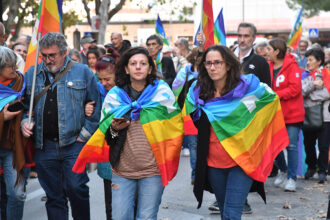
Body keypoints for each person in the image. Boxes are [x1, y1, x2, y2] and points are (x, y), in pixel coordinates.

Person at [75, 47, 184, 220]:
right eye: (133, 64)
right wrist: (115, 129)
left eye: (143, 64)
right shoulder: (115, 96)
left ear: (150, 68)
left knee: (146, 217)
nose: (138, 67)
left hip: (152, 171)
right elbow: (108, 137)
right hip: (122, 171)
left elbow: (175, 129)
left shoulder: (162, 94)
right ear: (126, 68)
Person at [184, 45, 288, 220]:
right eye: (208, 63)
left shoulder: (246, 88)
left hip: (242, 161)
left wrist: (256, 133)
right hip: (213, 162)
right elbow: (188, 114)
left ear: (229, 65)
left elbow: (271, 98)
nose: (212, 67)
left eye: (217, 62)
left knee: (232, 213)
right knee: (225, 212)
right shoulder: (198, 92)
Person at [21, 32, 101, 220]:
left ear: (64, 52)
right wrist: (25, 122)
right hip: (44, 145)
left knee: (76, 188)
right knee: (54, 197)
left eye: (52, 55)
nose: (48, 60)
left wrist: (84, 134)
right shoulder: (32, 74)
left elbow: (96, 106)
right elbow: (25, 108)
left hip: (74, 143)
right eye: (44, 55)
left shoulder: (83, 72)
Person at [85, 47, 120, 220]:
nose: (104, 83)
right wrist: (87, 108)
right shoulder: (98, 91)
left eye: (108, 79)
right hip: (108, 150)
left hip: (129, 155)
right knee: (111, 203)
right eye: (101, 79)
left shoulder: (127, 93)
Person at [266, 39, 305, 191]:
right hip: (273, 115)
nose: (266, 51)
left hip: (292, 115)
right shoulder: (267, 66)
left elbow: (295, 89)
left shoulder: (292, 66)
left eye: (269, 49)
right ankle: (283, 170)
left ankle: (292, 178)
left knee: (291, 146)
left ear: (277, 51)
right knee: (274, 146)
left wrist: (275, 94)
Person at [0, 46, 27, 220]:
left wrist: (25, 120)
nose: (15, 69)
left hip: (12, 146)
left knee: (17, 193)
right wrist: (2, 116)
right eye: (10, 66)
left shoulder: (21, 82)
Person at [172, 47, 201, 184]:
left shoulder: (210, 71)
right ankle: (196, 174)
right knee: (194, 145)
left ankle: (204, 174)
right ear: (195, 57)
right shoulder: (186, 71)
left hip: (208, 113)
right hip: (190, 113)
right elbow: (176, 88)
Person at [301, 48, 330, 184]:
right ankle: (311, 167)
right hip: (308, 115)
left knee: (323, 145)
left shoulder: (327, 74)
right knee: (309, 144)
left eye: (311, 60)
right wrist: (313, 84)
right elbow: (300, 92)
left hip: (325, 116)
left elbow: (327, 93)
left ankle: (322, 171)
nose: (308, 63)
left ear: (319, 61)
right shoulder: (305, 76)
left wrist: (311, 95)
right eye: (307, 60)